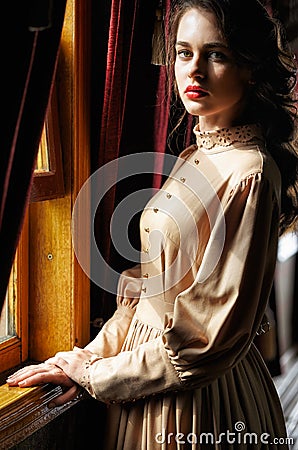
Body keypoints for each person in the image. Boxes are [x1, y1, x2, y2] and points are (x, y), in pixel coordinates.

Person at [7, 0, 298, 448]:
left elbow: (202, 341)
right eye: (184, 53)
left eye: (216, 54)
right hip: (144, 382)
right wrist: (87, 360)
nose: (194, 70)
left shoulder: (250, 174)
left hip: (196, 403)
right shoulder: (197, 156)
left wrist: (95, 374)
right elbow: (150, 297)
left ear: (250, 68)